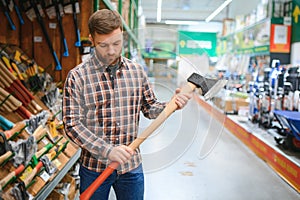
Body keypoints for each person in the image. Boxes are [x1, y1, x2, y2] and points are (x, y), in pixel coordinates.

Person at [62, 9, 191, 200]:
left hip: (131, 167)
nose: (112, 51)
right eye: (103, 45)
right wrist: (108, 150)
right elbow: (72, 124)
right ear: (91, 39)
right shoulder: (77, 77)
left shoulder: (136, 71)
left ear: (122, 35)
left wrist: (170, 105)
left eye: (116, 43)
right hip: (95, 167)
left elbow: (150, 107)